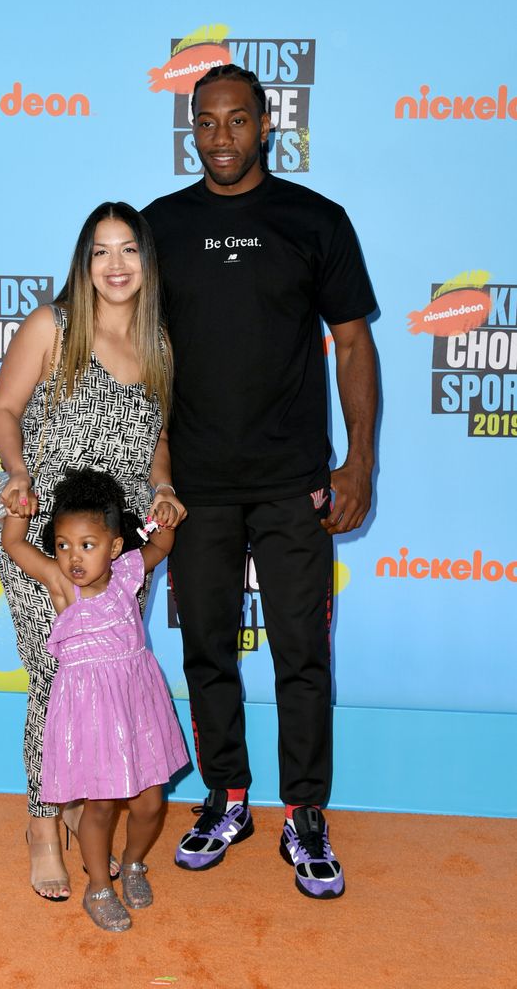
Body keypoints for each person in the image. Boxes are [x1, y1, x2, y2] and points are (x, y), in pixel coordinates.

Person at [142, 64, 378, 899]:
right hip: (195, 487)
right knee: (206, 645)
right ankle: (227, 796)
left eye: (237, 121)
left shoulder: (314, 221)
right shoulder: (158, 228)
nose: (220, 138)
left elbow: (352, 343)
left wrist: (359, 462)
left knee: (302, 654)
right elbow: (129, 352)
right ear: (192, 128)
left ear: (266, 125)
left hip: (293, 483)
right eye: (205, 123)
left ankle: (304, 816)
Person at [0, 202, 186, 901]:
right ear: (84, 261)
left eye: (128, 250)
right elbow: (4, 408)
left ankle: (81, 800)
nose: (116, 266)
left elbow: (159, 438)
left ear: (146, 260)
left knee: (106, 682)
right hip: (48, 542)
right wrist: (15, 471)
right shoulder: (54, 325)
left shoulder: (159, 343)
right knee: (55, 682)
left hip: (119, 552)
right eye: (100, 252)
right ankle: (44, 827)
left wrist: (162, 487)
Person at [2, 468, 188, 931]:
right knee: (101, 805)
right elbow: (15, 547)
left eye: (87, 545)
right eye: (63, 545)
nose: (73, 557)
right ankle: (98, 887)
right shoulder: (64, 588)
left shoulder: (127, 574)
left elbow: (161, 546)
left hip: (137, 702)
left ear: (115, 546)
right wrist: (17, 512)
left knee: (149, 803)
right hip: (90, 712)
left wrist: (164, 514)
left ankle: (133, 863)